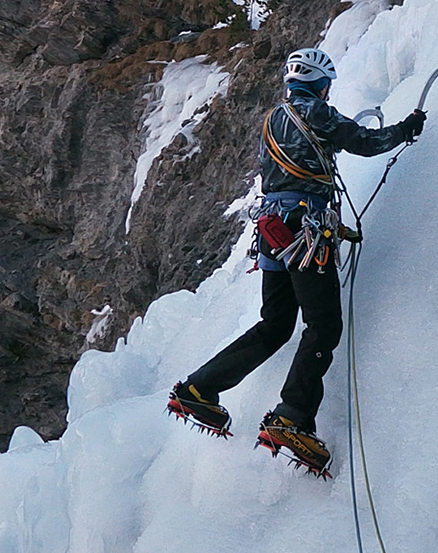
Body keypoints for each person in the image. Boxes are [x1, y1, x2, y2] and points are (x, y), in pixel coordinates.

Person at [168, 46, 423, 475]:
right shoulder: (317, 113)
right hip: (305, 232)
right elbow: (364, 141)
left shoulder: (272, 119)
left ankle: (199, 389)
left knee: (275, 325)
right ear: (321, 84)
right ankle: (292, 418)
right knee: (324, 325)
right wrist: (406, 129)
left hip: (273, 231)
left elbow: (288, 179)